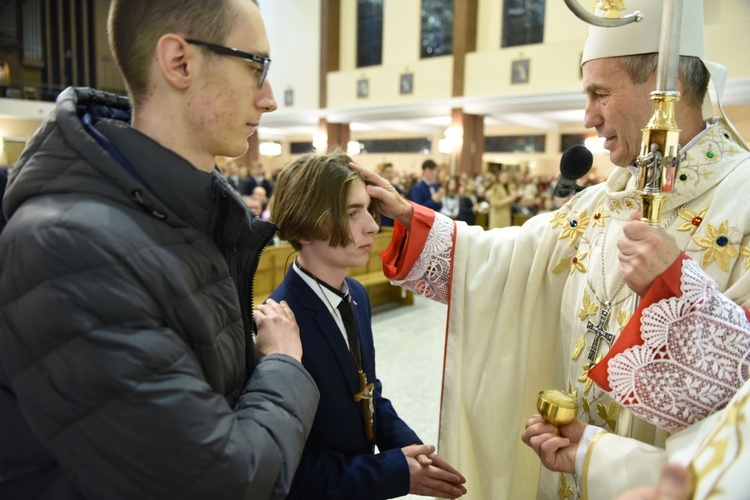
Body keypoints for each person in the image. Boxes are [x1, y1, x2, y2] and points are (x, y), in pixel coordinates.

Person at [351, 0, 750, 498]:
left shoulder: (742, 201)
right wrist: (410, 217)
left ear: (663, 88)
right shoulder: (601, 202)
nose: (588, 117)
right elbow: (504, 259)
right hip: (568, 461)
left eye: (600, 93)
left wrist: (677, 289)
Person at [0, 1, 320, 498]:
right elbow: (225, 482)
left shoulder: (184, 213)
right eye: (256, 66)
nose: (270, 98)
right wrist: (284, 365)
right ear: (179, 62)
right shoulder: (70, 248)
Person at [268, 152, 467, 499]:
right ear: (304, 225)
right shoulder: (280, 323)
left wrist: (409, 449)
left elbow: (366, 389)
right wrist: (390, 472)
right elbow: (288, 471)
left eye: (368, 209)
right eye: (351, 213)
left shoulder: (355, 294)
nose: (374, 226)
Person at [378, 162, 404, 228]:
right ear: (383, 173)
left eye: (392, 172)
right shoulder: (379, 187)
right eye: (388, 172)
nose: (390, 174)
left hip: (396, 220)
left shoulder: (396, 187)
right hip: (384, 220)